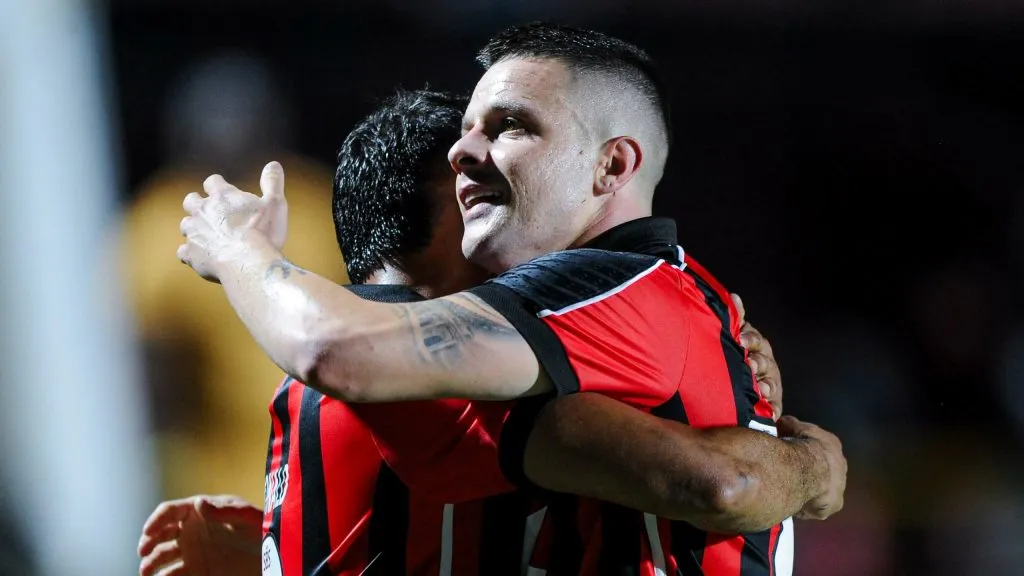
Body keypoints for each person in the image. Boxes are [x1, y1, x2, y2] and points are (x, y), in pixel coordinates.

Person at [176, 22, 847, 574]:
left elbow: (720, 483)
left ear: (613, 164)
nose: (467, 155)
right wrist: (810, 467)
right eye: (468, 138)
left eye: (509, 127)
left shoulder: (617, 302)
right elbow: (719, 481)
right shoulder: (640, 310)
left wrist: (239, 250)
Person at [123, 50, 344, 505]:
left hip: (323, 464)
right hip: (217, 484)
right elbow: (150, 377)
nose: (230, 135)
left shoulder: (314, 205)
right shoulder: (159, 225)